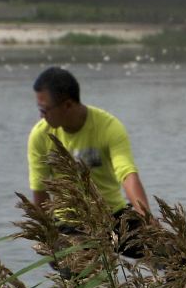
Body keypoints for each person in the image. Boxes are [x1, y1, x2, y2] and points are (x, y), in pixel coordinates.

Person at [27, 66, 151, 258]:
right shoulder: (40, 136)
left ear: (67, 105)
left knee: (173, 254)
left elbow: (127, 174)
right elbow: (39, 190)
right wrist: (48, 237)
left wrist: (147, 219)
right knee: (85, 265)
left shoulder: (109, 126)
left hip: (113, 217)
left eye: (45, 110)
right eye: (40, 110)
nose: (41, 116)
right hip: (69, 226)